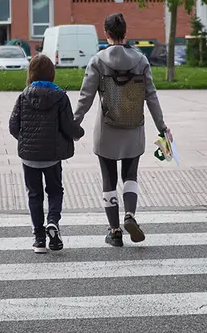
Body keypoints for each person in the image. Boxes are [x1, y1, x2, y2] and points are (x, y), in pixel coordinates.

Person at [74, 13, 171, 247]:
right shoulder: (140, 60)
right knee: (130, 175)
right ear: (125, 33)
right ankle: (130, 215)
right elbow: (151, 96)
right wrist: (162, 128)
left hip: (106, 130)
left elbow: (85, 98)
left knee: (109, 179)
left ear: (106, 34)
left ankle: (114, 231)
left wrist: (72, 124)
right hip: (133, 127)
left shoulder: (97, 61)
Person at [9, 54, 84, 253]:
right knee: (55, 190)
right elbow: (69, 126)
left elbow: (13, 126)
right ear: (51, 73)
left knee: (34, 194)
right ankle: (53, 222)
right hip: (52, 156)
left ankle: (39, 239)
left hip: (29, 157)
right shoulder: (60, 96)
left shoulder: (24, 95)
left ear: (31, 73)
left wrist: (26, 141)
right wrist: (79, 133)